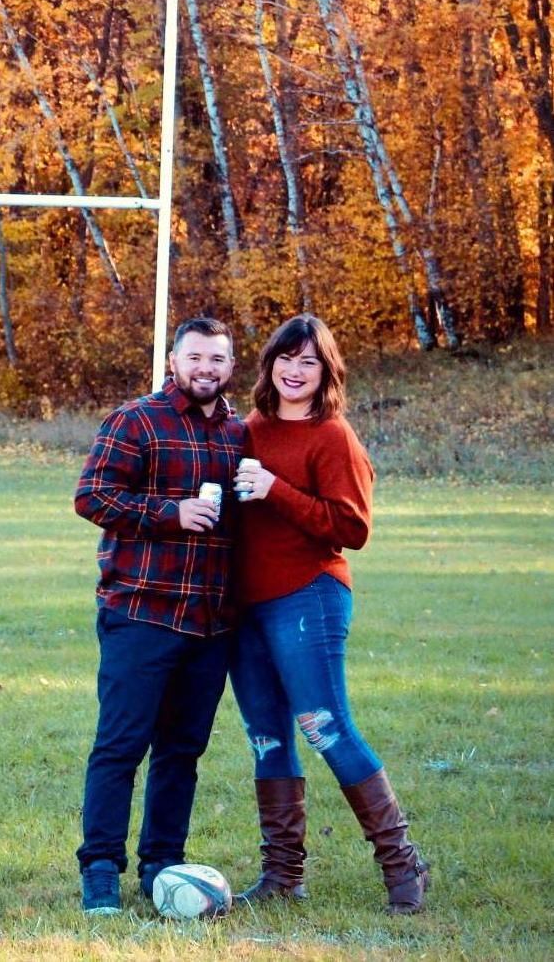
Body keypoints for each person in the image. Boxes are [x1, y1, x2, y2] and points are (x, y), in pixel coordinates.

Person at [228, 314, 429, 914]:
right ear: (269, 365)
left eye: (309, 361)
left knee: (324, 725)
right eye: (286, 358)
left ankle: (403, 863)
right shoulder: (249, 428)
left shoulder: (332, 436)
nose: (295, 370)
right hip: (246, 607)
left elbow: (352, 528)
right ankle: (283, 875)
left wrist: (275, 490)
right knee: (266, 738)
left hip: (307, 595)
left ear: (326, 372)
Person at [73, 316, 245, 914]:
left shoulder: (238, 433)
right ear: (174, 361)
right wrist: (171, 512)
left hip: (211, 623)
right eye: (195, 357)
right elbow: (91, 496)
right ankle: (99, 868)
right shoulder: (136, 419)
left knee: (182, 751)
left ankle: (162, 866)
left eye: (217, 360)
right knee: (121, 745)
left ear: (230, 366)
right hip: (141, 613)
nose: (206, 369)